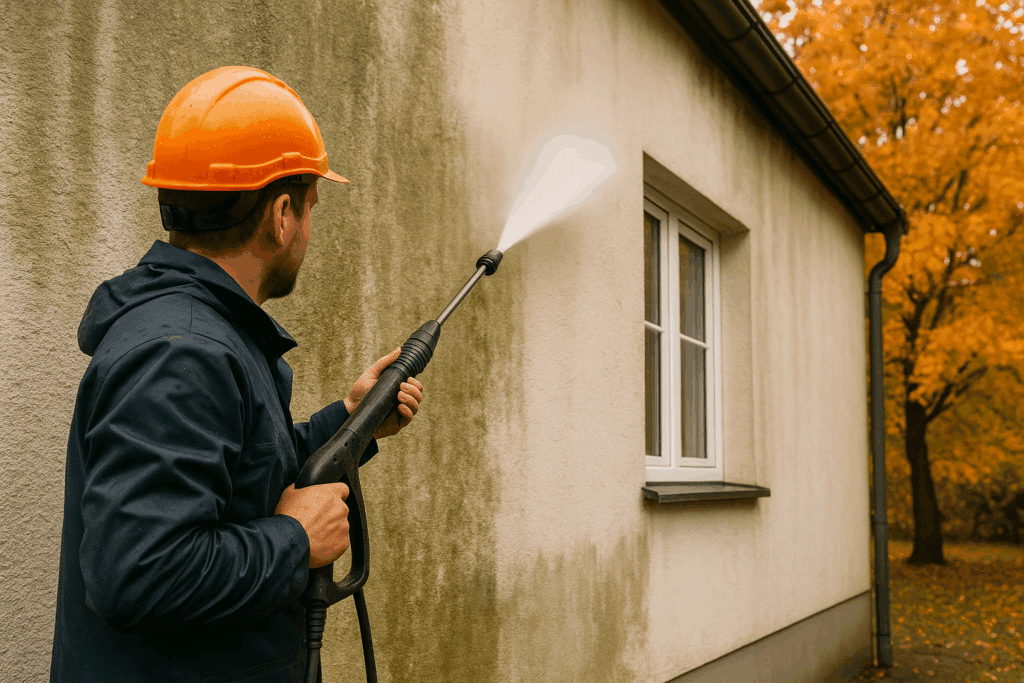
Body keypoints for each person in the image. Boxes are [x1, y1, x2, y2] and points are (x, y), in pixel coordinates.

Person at [49, 66, 424, 682]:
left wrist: (351, 422)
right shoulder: (183, 353)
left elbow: (238, 483)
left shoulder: (204, 335)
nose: (308, 229)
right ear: (281, 216)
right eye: (311, 208)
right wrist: (295, 541)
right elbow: (141, 575)